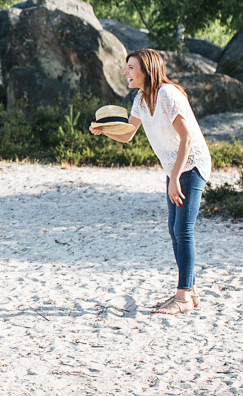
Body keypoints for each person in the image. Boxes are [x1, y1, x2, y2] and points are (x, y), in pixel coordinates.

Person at [90, 48, 212, 315]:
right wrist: (104, 130)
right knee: (174, 229)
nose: (125, 72)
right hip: (175, 167)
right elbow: (128, 134)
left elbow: (187, 139)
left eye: (131, 67)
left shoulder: (168, 95)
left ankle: (183, 296)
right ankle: (188, 291)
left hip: (191, 165)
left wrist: (175, 178)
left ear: (147, 70)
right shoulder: (141, 99)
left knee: (183, 229)